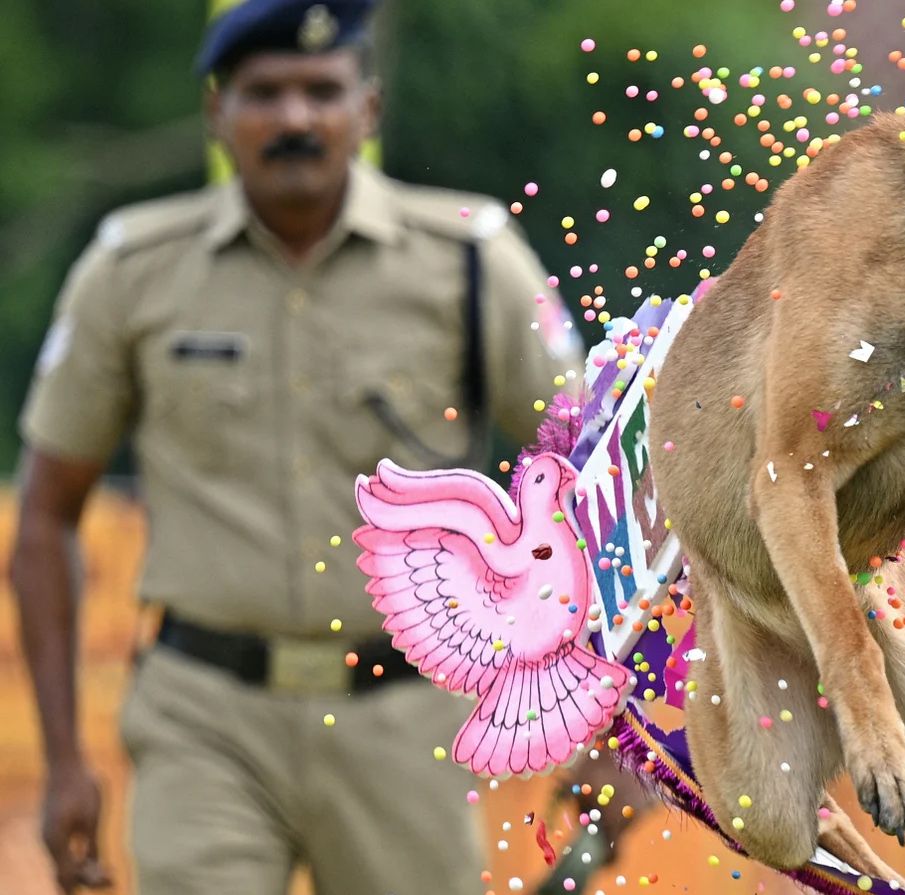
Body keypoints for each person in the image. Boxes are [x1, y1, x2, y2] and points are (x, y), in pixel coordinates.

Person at [8, 0, 584, 891]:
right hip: (204, 717)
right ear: (216, 112)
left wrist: (616, 722)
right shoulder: (132, 271)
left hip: (404, 719)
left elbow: (589, 486)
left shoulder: (470, 258)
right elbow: (47, 514)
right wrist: (62, 761)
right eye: (264, 92)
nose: (294, 118)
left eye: (322, 90)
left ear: (369, 108)